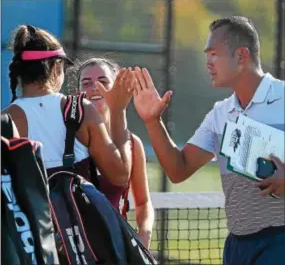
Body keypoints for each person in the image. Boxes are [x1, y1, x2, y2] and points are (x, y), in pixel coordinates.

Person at [131, 16, 285, 265]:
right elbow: (178, 170)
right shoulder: (219, 114)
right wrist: (152, 121)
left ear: (241, 56)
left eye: (214, 53)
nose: (208, 62)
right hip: (236, 247)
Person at [2, 24, 134, 188]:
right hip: (75, 214)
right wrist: (119, 111)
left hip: (28, 214)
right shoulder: (81, 110)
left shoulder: (5, 120)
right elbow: (120, 176)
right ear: (56, 68)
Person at [75, 58, 154, 249]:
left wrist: (144, 234)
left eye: (103, 81)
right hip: (73, 247)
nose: (95, 87)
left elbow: (143, 202)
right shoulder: (66, 140)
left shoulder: (133, 144)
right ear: (77, 92)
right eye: (86, 83)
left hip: (116, 247)